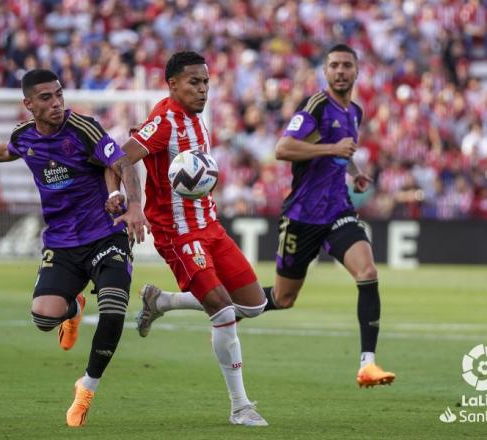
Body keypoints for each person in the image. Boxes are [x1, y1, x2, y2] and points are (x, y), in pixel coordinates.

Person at [0, 69, 150, 427]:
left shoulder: (83, 128)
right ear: (28, 104)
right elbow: (9, 149)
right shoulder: (25, 136)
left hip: (105, 234)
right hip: (61, 243)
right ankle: (73, 307)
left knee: (112, 310)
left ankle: (87, 387)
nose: (57, 103)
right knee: (43, 317)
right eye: (46, 98)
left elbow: (121, 161)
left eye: (59, 94)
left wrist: (132, 204)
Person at [108, 51, 268, 426]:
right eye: (194, 82)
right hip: (178, 234)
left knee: (254, 305)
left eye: (206, 82)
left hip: (210, 227)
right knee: (225, 312)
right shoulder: (163, 121)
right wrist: (133, 205)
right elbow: (121, 158)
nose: (202, 89)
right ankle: (240, 406)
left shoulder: (197, 121)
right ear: (173, 84)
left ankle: (160, 301)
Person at [262, 44, 396, 388]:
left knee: (367, 271)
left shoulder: (355, 111)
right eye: (334, 65)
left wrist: (354, 170)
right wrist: (332, 149)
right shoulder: (316, 105)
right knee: (282, 299)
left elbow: (341, 148)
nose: (340, 71)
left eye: (346, 65)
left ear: (356, 71)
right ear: (325, 71)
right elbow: (283, 148)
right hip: (302, 216)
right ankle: (209, 305)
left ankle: (368, 365)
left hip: (337, 209)